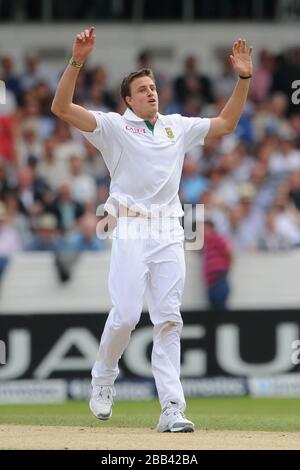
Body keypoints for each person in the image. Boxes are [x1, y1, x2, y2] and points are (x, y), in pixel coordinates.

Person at [51, 27, 253, 433]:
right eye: (142, 89)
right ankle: (103, 377)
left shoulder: (177, 126)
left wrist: (243, 79)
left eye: (153, 87)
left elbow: (228, 122)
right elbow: (61, 108)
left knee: (169, 319)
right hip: (127, 227)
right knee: (126, 315)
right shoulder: (112, 127)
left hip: (169, 231)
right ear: (128, 100)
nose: (151, 93)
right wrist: (77, 60)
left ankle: (172, 408)